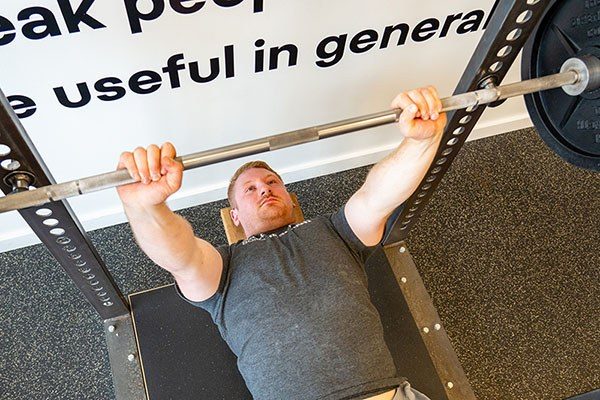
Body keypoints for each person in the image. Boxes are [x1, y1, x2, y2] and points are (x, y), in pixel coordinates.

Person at [117, 86, 447, 400]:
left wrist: (422, 142)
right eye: (250, 189)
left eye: (272, 181)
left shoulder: (334, 231)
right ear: (234, 216)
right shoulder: (224, 266)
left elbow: (376, 196)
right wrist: (145, 207)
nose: (264, 188)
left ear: (289, 196)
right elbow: (181, 256)